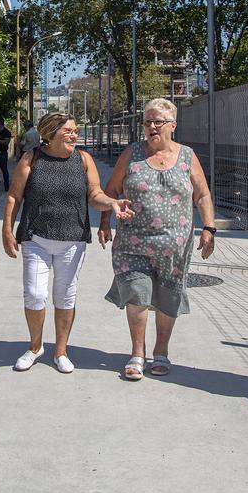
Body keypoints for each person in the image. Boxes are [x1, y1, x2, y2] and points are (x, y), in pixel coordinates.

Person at [2, 112, 134, 373]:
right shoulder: (32, 159)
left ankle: (61, 351)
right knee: (35, 294)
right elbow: (14, 197)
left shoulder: (83, 160)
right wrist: (7, 229)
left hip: (72, 241)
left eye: (76, 130)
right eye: (69, 131)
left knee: (65, 296)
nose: (75, 135)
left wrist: (112, 203)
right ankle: (35, 346)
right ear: (50, 134)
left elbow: (94, 194)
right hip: (36, 238)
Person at [99, 98, 215, 380]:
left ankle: (161, 351)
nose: (151, 127)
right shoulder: (132, 153)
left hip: (175, 245)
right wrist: (105, 222)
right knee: (138, 294)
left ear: (172, 125)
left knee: (167, 296)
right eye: (147, 121)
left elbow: (201, 194)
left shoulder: (187, 156)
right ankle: (137, 353)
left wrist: (209, 228)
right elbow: (112, 189)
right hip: (132, 243)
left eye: (158, 122)